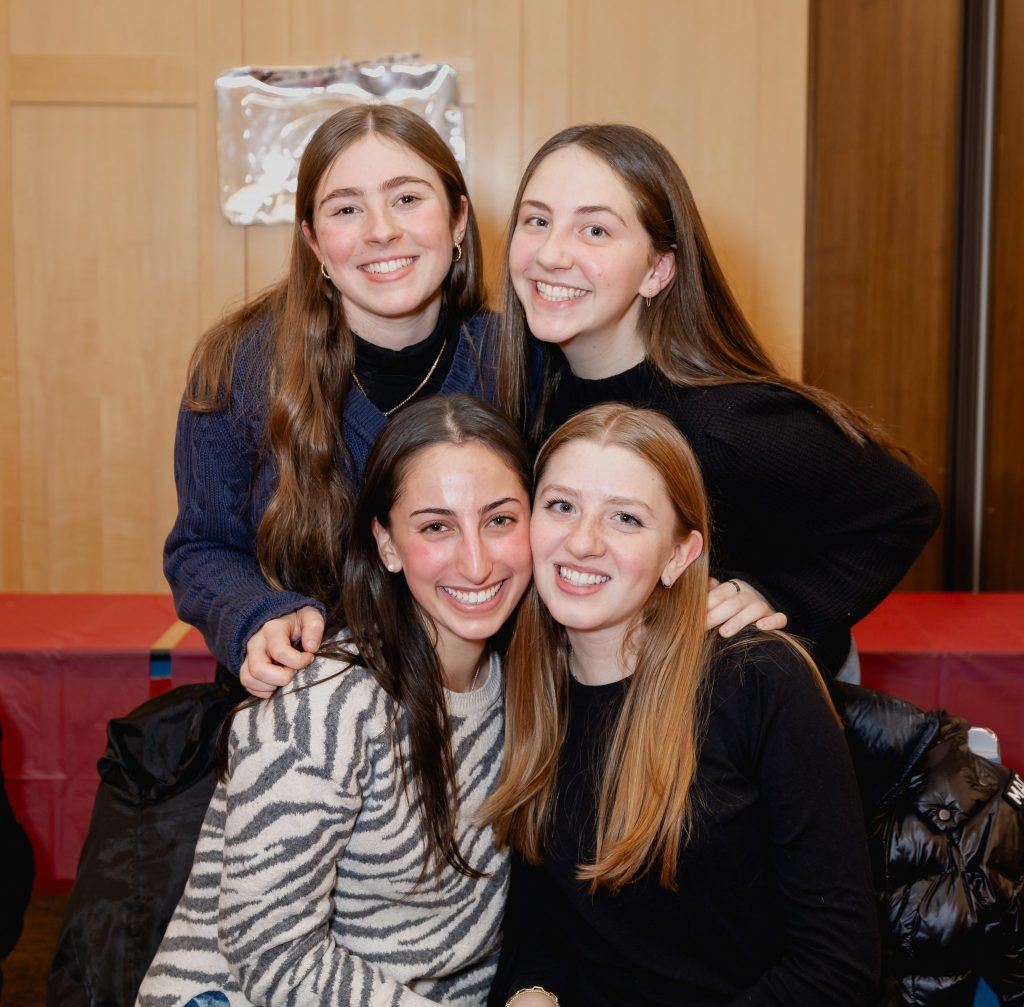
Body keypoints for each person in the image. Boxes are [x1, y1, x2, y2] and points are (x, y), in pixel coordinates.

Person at [495, 123, 941, 677]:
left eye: (594, 230)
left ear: (658, 270)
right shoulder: (527, 391)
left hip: (727, 715)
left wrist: (779, 597)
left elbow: (904, 507)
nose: (552, 253)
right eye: (537, 221)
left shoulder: (724, 423)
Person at [138, 394, 533, 1006]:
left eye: (500, 520)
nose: (476, 562)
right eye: (436, 527)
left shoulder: (528, 689)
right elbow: (274, 960)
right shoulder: (327, 704)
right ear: (388, 545)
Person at [483, 404, 881, 1007]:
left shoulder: (758, 682)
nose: (583, 541)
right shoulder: (525, 682)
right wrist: (531, 991)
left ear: (679, 554)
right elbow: (547, 916)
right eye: (561, 506)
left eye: (625, 518)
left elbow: (836, 967)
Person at [166, 102, 495, 699]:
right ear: (314, 241)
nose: (381, 230)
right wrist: (256, 614)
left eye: (407, 199)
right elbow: (201, 547)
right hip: (308, 714)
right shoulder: (238, 367)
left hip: (483, 713)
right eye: (347, 208)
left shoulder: (518, 361)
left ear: (457, 220)